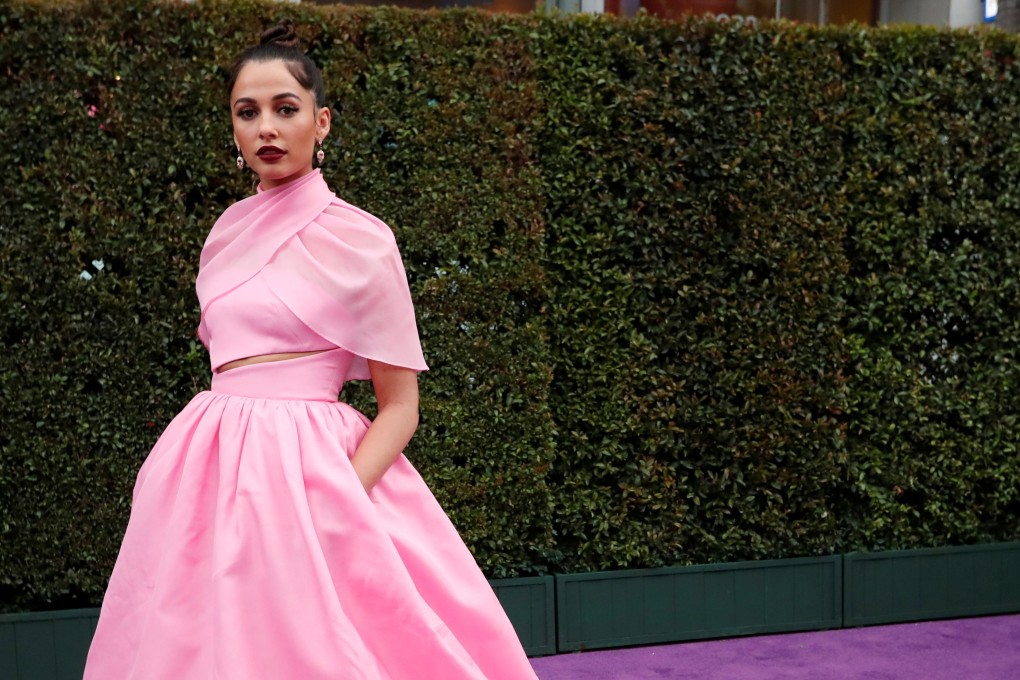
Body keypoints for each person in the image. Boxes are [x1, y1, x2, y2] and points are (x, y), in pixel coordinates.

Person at [84, 22, 539, 680]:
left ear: (321, 122)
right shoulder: (222, 234)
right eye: (248, 112)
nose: (266, 127)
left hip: (314, 477)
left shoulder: (364, 241)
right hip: (205, 474)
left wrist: (338, 498)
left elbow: (401, 406)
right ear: (234, 130)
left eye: (285, 109)